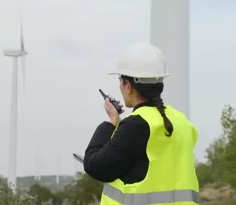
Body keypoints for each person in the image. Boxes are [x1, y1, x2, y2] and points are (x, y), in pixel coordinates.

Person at [83, 42, 199, 205]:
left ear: (128, 86)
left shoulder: (136, 126)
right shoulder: (182, 122)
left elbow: (95, 166)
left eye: (120, 80)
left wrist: (111, 123)